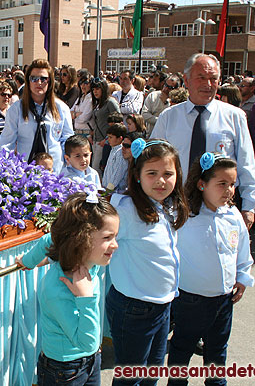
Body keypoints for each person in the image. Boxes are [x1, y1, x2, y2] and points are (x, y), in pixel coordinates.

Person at [106, 139, 189, 386]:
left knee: (152, 373)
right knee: (131, 376)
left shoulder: (168, 206)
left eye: (168, 174)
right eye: (152, 173)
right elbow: (94, 238)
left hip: (162, 305)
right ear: (138, 176)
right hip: (133, 308)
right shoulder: (127, 210)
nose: (161, 181)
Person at [168, 153, 254, 386]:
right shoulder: (184, 215)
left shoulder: (233, 214)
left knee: (217, 350)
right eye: (222, 184)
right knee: (182, 348)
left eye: (233, 184)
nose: (229, 190)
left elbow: (242, 250)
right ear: (202, 184)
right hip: (190, 299)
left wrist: (243, 277)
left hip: (224, 300)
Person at [17, 192, 119, 386]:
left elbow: (49, 240)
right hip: (63, 371)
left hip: (91, 360)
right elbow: (86, 343)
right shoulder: (57, 290)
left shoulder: (87, 259)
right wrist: (86, 298)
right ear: (80, 239)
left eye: (115, 236)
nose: (115, 245)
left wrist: (28, 262)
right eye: (108, 237)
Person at [151, 54, 255, 229]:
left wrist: (249, 207)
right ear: (186, 81)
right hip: (176, 207)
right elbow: (153, 162)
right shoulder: (169, 117)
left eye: (213, 79)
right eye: (201, 78)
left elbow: (246, 163)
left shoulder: (234, 116)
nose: (208, 84)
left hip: (219, 210)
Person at [0, 58, 74, 174]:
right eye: (34, 78)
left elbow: (68, 141)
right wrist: (6, 169)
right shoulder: (16, 109)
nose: (39, 83)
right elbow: (7, 142)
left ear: (50, 82)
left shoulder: (61, 108)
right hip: (25, 171)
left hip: (55, 171)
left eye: (43, 79)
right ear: (28, 81)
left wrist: (69, 168)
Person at [88, 78, 120, 175]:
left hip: (105, 141)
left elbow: (118, 121)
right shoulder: (97, 103)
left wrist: (107, 139)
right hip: (96, 139)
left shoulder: (110, 102)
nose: (95, 92)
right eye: (93, 90)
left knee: (97, 168)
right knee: (95, 166)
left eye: (97, 89)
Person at [101, 123, 128, 193]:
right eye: (108, 137)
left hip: (116, 192)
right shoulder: (113, 150)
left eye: (111, 137)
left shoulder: (120, 152)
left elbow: (117, 174)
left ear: (120, 138)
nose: (108, 140)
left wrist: (108, 190)